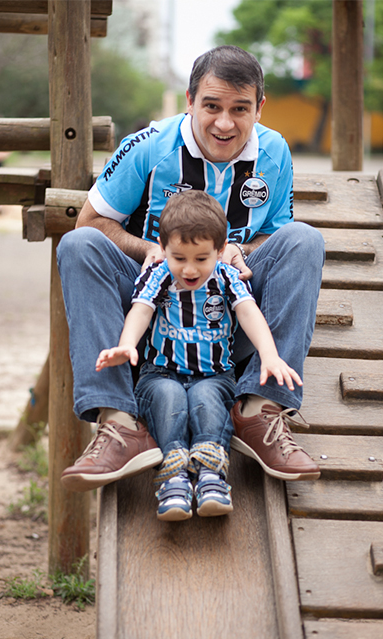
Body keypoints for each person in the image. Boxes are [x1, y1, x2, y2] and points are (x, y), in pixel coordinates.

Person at [58, 45, 323, 494]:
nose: (224, 123)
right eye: (212, 106)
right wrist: (151, 252)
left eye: (240, 109)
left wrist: (237, 250)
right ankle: (119, 422)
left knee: (304, 239)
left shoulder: (275, 152)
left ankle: (260, 410)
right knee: (78, 243)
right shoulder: (149, 146)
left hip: (228, 314)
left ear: (259, 107)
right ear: (189, 100)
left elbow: (275, 237)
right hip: (149, 317)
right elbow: (92, 221)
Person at [93, 190, 302, 520]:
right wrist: (128, 343)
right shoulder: (158, 274)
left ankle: (210, 474)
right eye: (179, 258)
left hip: (214, 375)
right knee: (168, 397)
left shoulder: (227, 277)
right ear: (163, 249)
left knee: (207, 400)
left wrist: (270, 355)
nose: (189, 269)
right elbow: (141, 310)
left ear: (220, 252)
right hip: (160, 372)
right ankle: (173, 477)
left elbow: (249, 313)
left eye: (201, 259)